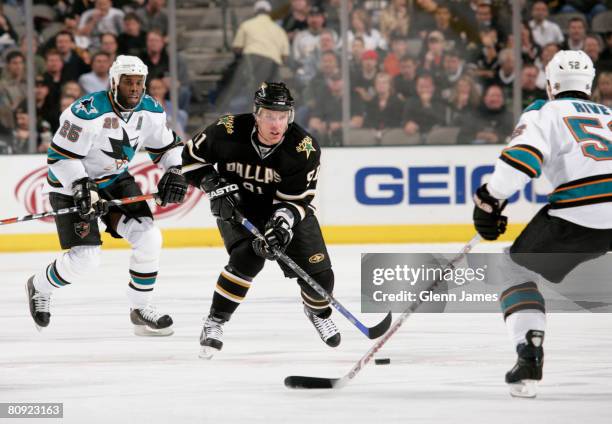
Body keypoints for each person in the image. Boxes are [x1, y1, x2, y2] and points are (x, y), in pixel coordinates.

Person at [472, 50, 611, 398]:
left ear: (551, 84)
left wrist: (490, 200)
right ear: (590, 84)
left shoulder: (545, 111)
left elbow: (522, 158)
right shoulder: (610, 115)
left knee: (512, 269)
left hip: (582, 213)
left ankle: (529, 354)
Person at [25, 55, 187, 336]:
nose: (135, 88)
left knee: (149, 236)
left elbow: (167, 147)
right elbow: (60, 157)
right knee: (86, 258)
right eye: (128, 82)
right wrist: (82, 187)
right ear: (114, 82)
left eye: (139, 82)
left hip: (114, 180)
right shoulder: (85, 112)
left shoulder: (151, 110)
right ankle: (39, 286)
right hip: (69, 184)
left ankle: (140, 307)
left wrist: (174, 171)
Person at [181, 82, 341, 359]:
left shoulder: (303, 149)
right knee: (247, 258)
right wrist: (212, 184)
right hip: (238, 206)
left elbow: (297, 201)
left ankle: (317, 311)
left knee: (321, 279)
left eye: (282, 116)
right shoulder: (227, 129)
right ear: (256, 114)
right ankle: (215, 322)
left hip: (285, 211)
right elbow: (191, 160)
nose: (276, 124)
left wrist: (280, 226)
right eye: (269, 115)